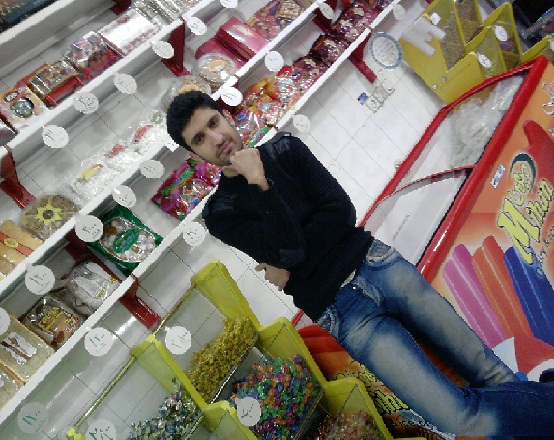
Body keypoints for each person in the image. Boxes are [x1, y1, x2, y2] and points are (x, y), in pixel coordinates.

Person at [166, 91, 554, 437]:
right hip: (343, 313)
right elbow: (291, 249)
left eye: (213, 122)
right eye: (199, 139)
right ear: (194, 155)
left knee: (490, 371)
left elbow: (339, 214)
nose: (215, 138)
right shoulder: (221, 213)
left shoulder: (286, 150)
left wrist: (292, 262)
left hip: (379, 266)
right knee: (457, 417)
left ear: (227, 116)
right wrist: (259, 184)